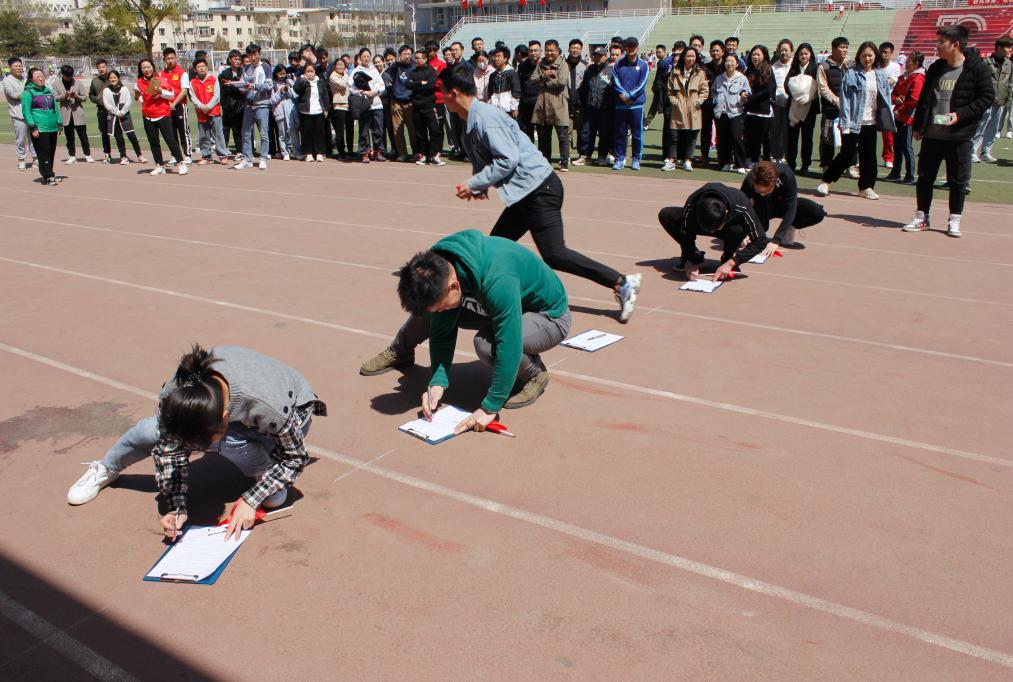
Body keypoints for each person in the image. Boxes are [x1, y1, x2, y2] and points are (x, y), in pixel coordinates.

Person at [437, 65, 640, 321]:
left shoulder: (486, 118)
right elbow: (486, 159)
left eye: (441, 91)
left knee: (555, 253)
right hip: (525, 194)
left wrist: (475, 182)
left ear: (453, 92)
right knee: (496, 244)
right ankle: (481, 296)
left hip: (540, 189)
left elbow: (507, 159)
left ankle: (622, 282)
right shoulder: (470, 121)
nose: (439, 97)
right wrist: (480, 186)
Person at [66, 345, 327, 541]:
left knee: (244, 461)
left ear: (224, 418)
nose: (196, 450)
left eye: (201, 445)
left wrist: (251, 500)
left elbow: (295, 457)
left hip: (291, 413)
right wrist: (176, 505)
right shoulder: (174, 394)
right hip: (233, 416)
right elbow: (169, 449)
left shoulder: (267, 406)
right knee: (151, 430)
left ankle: (265, 471)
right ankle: (107, 467)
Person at [360, 231, 571, 421]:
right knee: (430, 311)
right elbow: (442, 332)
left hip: (547, 316)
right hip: (493, 305)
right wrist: (437, 382)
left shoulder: (498, 280)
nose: (442, 311)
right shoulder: (438, 265)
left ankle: (534, 374)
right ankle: (401, 351)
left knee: (487, 345)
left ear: (453, 286)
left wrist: (490, 406)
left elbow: (509, 342)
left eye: (444, 305)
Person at [903, 24, 994, 238]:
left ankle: (954, 219)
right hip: (933, 133)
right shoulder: (936, 67)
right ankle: (922, 216)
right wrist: (919, 125)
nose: (938, 46)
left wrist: (960, 115)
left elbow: (987, 97)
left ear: (955, 44)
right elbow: (925, 97)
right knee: (925, 177)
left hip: (959, 135)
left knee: (958, 180)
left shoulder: (977, 67)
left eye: (941, 42)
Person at [817, 41, 894, 200]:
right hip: (853, 121)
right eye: (864, 55)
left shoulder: (880, 75)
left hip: (871, 122)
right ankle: (826, 181)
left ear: (875, 56)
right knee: (847, 154)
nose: (867, 59)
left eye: (870, 55)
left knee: (869, 157)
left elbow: (885, 97)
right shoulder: (851, 74)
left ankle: (866, 187)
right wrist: (845, 122)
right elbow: (845, 99)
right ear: (859, 56)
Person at [658, 182, 768, 281]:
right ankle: (697, 257)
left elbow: (761, 240)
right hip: (700, 222)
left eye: (716, 227)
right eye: (709, 229)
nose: (712, 232)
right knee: (666, 214)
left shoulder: (741, 202)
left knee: (738, 229)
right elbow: (686, 235)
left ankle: (727, 257)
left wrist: (732, 262)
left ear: (726, 212)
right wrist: (690, 258)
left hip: (731, 228)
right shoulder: (692, 206)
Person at [741, 160, 826, 249]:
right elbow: (739, 207)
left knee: (817, 212)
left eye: (766, 191)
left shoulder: (786, 175)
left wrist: (777, 239)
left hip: (782, 203)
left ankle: (788, 229)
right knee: (759, 231)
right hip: (761, 205)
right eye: (759, 191)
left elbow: (791, 207)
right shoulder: (750, 180)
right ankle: (754, 231)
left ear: (774, 182)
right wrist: (743, 232)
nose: (762, 193)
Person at [135, 58, 187, 177]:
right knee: (153, 142)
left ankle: (181, 163)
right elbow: (140, 101)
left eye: (148, 67)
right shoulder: (138, 83)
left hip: (163, 114)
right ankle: (159, 165)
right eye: (144, 68)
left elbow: (171, 95)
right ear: (141, 70)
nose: (146, 70)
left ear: (152, 67)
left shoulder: (160, 79)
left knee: (170, 140)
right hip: (148, 115)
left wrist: (161, 91)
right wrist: (137, 96)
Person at [662, 46, 708, 172]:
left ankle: (688, 160)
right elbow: (670, 90)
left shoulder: (700, 73)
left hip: (693, 109)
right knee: (674, 136)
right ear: (683, 57)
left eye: (693, 56)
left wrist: (697, 102)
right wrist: (675, 101)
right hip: (678, 109)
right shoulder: (675, 72)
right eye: (688, 56)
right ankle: (672, 160)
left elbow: (704, 91)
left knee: (692, 137)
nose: (690, 58)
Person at [972, 35, 1013, 163]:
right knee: (980, 126)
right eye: (1008, 47)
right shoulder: (986, 62)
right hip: (985, 100)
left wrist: (1008, 100)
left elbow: (1010, 84)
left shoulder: (1009, 64)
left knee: (993, 128)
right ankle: (972, 151)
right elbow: (978, 82)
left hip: (1000, 101)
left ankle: (986, 152)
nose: (1010, 50)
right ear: (1000, 48)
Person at [532, 39, 572, 172]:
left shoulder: (563, 64)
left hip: (558, 104)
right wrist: (544, 75)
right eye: (547, 50)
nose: (549, 53)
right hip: (542, 104)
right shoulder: (541, 64)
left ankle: (564, 162)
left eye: (552, 50)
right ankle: (545, 162)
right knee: (543, 137)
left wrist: (543, 83)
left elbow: (561, 82)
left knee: (562, 135)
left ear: (558, 51)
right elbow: (532, 79)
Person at [885, 51, 925, 184]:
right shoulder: (904, 77)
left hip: (908, 118)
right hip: (898, 116)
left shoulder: (918, 78)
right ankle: (895, 172)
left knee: (906, 147)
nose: (906, 63)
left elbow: (914, 99)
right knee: (897, 146)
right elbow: (893, 94)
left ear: (916, 63)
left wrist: (900, 110)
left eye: (909, 61)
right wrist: (895, 100)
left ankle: (910, 175)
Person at [611, 36, 649, 170]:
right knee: (620, 133)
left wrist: (630, 95)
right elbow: (615, 80)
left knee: (637, 133)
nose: (631, 48)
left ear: (637, 47)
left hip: (636, 104)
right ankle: (619, 159)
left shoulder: (643, 65)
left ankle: (636, 159)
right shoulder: (618, 64)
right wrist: (623, 95)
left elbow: (642, 84)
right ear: (625, 48)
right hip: (621, 104)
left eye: (633, 46)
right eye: (629, 46)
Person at [574, 45, 616, 166]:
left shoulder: (611, 70)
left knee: (604, 134)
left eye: (600, 55)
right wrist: (580, 103)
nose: (598, 57)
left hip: (605, 109)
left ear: (605, 56)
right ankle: (585, 156)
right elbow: (583, 88)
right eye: (596, 55)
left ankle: (602, 157)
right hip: (590, 108)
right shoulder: (590, 69)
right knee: (587, 132)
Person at [235, 44, 274, 170]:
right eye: (251, 55)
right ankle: (247, 159)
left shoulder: (266, 67)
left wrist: (255, 86)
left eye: (256, 54)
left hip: (262, 105)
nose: (254, 57)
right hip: (248, 105)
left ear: (259, 54)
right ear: (247, 56)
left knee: (263, 133)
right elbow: (242, 84)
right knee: (246, 133)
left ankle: (263, 158)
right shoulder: (246, 68)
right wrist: (239, 86)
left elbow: (269, 85)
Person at [712, 53, 751, 173]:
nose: (729, 64)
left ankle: (740, 164)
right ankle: (726, 162)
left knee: (736, 138)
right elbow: (713, 92)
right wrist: (716, 101)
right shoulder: (719, 78)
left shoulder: (742, 78)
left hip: (735, 112)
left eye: (732, 61)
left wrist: (742, 99)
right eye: (727, 61)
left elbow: (747, 93)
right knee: (723, 139)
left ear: (737, 64)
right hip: (721, 113)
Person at [20, 67, 60, 185]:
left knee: (51, 151)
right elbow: (26, 112)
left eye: (42, 76)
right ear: (31, 79)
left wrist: (59, 123)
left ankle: (49, 173)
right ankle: (48, 175)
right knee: (44, 152)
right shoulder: (28, 93)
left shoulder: (48, 91)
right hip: (40, 128)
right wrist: (33, 127)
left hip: (52, 127)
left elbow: (55, 108)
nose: (40, 78)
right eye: (37, 76)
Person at [784, 42, 819, 175]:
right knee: (792, 138)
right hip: (794, 107)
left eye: (806, 54)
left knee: (807, 138)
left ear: (810, 55)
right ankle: (791, 164)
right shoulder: (793, 69)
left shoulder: (816, 68)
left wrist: (807, 96)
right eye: (801, 54)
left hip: (809, 108)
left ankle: (805, 165)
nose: (803, 56)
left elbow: (818, 87)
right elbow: (786, 85)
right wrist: (797, 95)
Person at [818, 37, 850, 174]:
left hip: (849, 110)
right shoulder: (823, 67)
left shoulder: (851, 65)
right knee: (827, 138)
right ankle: (826, 165)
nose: (845, 50)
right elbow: (823, 88)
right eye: (842, 47)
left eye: (846, 47)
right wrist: (838, 102)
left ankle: (850, 165)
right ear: (834, 49)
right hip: (830, 109)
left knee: (850, 138)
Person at [190, 58, 231, 165]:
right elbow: (193, 97)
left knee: (218, 135)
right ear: (195, 70)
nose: (201, 68)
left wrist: (208, 106)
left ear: (206, 67)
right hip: (201, 113)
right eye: (198, 67)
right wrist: (201, 106)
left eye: (203, 66)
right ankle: (206, 156)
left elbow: (217, 96)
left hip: (214, 112)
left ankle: (223, 155)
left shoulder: (213, 79)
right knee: (203, 136)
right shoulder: (193, 82)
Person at [350, 48, 387, 163]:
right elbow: (351, 88)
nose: (366, 58)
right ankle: (365, 153)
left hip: (376, 104)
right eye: (364, 56)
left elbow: (381, 85)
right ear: (360, 58)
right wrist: (364, 92)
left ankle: (378, 152)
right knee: (364, 130)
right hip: (364, 105)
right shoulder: (356, 71)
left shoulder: (374, 70)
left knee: (378, 130)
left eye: (368, 56)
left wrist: (374, 92)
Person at [50, 64, 93, 164]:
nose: (69, 78)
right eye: (67, 76)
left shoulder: (78, 82)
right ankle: (72, 156)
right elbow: (54, 98)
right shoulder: (56, 83)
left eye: (71, 76)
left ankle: (87, 154)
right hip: (66, 114)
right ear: (62, 74)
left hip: (78, 113)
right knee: (69, 137)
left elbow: (84, 97)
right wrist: (64, 96)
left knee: (83, 136)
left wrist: (76, 96)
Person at [100, 70, 145, 165]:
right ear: (108, 79)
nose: (113, 79)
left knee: (132, 136)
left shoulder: (124, 89)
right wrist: (116, 112)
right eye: (111, 78)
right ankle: (123, 156)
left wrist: (123, 112)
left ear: (118, 78)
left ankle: (139, 155)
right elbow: (107, 104)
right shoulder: (106, 90)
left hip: (125, 116)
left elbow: (128, 101)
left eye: (114, 77)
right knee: (119, 138)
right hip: (114, 116)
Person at [409, 49, 443, 165]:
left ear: (425, 59)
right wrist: (420, 83)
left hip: (429, 105)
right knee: (420, 132)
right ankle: (424, 155)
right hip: (416, 106)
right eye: (415, 58)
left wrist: (416, 86)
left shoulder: (431, 71)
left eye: (418, 58)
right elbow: (407, 84)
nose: (416, 60)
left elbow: (430, 86)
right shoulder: (413, 72)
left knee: (435, 130)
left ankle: (434, 155)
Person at [743, 45, 775, 165]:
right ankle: (753, 159)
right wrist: (743, 95)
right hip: (750, 110)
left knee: (764, 137)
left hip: (763, 110)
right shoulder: (748, 70)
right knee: (751, 136)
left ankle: (766, 162)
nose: (755, 57)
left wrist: (751, 98)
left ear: (764, 56)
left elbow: (769, 90)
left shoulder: (768, 70)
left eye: (758, 55)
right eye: (753, 54)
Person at [294, 61, 331, 162]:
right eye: (308, 71)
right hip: (305, 111)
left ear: (315, 71)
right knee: (306, 133)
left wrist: (326, 108)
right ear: (304, 71)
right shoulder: (301, 79)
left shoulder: (320, 81)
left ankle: (319, 153)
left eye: (311, 71)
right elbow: (296, 89)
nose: (310, 73)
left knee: (319, 132)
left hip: (318, 111)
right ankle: (308, 153)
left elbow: (325, 96)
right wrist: (303, 80)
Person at [161, 48, 192, 165]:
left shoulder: (182, 73)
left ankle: (187, 155)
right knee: (171, 132)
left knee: (184, 131)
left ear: (176, 58)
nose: (170, 60)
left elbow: (184, 91)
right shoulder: (161, 74)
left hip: (179, 106)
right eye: (167, 58)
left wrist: (174, 103)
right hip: (166, 108)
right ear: (164, 60)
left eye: (172, 58)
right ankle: (175, 155)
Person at [3, 57, 35, 171]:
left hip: (31, 113)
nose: (18, 68)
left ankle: (35, 158)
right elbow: (14, 95)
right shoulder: (7, 81)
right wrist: (30, 92)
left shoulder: (25, 78)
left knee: (33, 137)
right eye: (16, 66)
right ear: (10, 68)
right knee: (20, 139)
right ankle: (21, 160)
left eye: (20, 66)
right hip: (18, 114)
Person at [388, 45, 417, 161]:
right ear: (400, 55)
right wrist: (396, 62)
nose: (407, 56)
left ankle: (416, 152)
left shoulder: (415, 66)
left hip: (410, 102)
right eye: (404, 54)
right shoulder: (396, 66)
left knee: (412, 129)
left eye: (409, 54)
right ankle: (402, 153)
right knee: (397, 130)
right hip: (396, 102)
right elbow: (389, 74)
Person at [699, 40, 725, 164]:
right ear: (709, 52)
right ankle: (704, 155)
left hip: (722, 104)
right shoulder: (705, 67)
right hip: (707, 103)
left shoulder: (727, 66)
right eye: (713, 51)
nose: (715, 53)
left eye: (717, 50)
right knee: (705, 130)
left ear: (723, 52)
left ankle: (722, 156)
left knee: (722, 130)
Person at [878, 41, 902, 169]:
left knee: (887, 133)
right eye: (881, 51)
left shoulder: (895, 67)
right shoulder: (874, 64)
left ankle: (888, 157)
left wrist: (876, 80)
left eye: (886, 52)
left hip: (887, 103)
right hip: (872, 101)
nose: (883, 54)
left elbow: (892, 81)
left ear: (891, 53)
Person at [770, 40, 794, 161]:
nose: (783, 52)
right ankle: (776, 155)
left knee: (789, 131)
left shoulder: (795, 66)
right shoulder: (773, 67)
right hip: (776, 104)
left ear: (791, 51)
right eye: (781, 50)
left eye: (786, 50)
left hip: (792, 104)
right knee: (775, 130)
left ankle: (788, 154)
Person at [218, 50, 246, 157]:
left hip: (240, 105)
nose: (238, 61)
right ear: (230, 60)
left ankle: (240, 151)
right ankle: (223, 151)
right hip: (228, 105)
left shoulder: (243, 72)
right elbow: (224, 90)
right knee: (225, 128)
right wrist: (236, 86)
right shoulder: (224, 74)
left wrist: (232, 85)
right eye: (235, 59)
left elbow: (244, 88)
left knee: (238, 129)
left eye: (239, 59)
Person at [269, 64, 295, 161]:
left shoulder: (289, 82)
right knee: (282, 134)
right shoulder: (273, 84)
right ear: (276, 73)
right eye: (280, 74)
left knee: (293, 132)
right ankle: (285, 152)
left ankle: (296, 151)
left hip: (290, 111)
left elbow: (294, 95)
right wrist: (280, 92)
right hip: (279, 112)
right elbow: (272, 100)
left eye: (284, 73)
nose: (282, 76)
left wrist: (288, 91)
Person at [88, 59, 112, 162]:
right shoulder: (95, 81)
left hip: (114, 111)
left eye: (103, 67)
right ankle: (107, 154)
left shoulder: (112, 78)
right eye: (99, 68)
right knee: (104, 133)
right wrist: (97, 100)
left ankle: (123, 155)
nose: (101, 69)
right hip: (102, 111)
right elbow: (91, 95)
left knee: (118, 133)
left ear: (106, 67)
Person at [486, 45, 521, 118]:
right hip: (495, 110)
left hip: (508, 110)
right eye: (495, 56)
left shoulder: (512, 74)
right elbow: (490, 92)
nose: (496, 59)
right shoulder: (493, 75)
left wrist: (514, 108)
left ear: (505, 59)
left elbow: (516, 91)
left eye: (499, 56)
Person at [517, 40, 542, 140]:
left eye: (536, 50)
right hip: (526, 105)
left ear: (541, 51)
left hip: (541, 105)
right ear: (528, 52)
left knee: (543, 135)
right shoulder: (522, 66)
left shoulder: (545, 65)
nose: (533, 53)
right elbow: (520, 86)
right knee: (527, 134)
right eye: (531, 51)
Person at [565, 38, 586, 147]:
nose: (575, 50)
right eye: (573, 47)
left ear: (581, 50)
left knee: (581, 131)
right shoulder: (562, 64)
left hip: (580, 105)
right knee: (566, 132)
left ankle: (581, 153)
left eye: (578, 48)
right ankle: (566, 154)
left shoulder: (586, 65)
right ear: (569, 49)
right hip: (565, 104)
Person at [328, 58, 350, 159]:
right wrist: (345, 74)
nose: (340, 66)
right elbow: (343, 85)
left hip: (348, 104)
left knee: (349, 129)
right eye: (338, 65)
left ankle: (349, 150)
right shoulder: (333, 76)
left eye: (342, 65)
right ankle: (341, 152)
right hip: (339, 105)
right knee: (339, 130)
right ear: (334, 66)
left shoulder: (345, 75)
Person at [999, 49, 1013, 138]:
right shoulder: (1008, 65)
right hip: (1005, 92)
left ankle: (1009, 131)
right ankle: (998, 130)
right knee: (1001, 111)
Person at [644, 43, 668, 128]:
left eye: (659, 52)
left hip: (664, 89)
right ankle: (646, 123)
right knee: (654, 106)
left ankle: (646, 123)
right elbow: (658, 76)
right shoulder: (660, 62)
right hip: (658, 88)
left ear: (664, 52)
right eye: (657, 52)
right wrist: (655, 85)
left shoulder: (667, 62)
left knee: (661, 107)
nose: (658, 54)